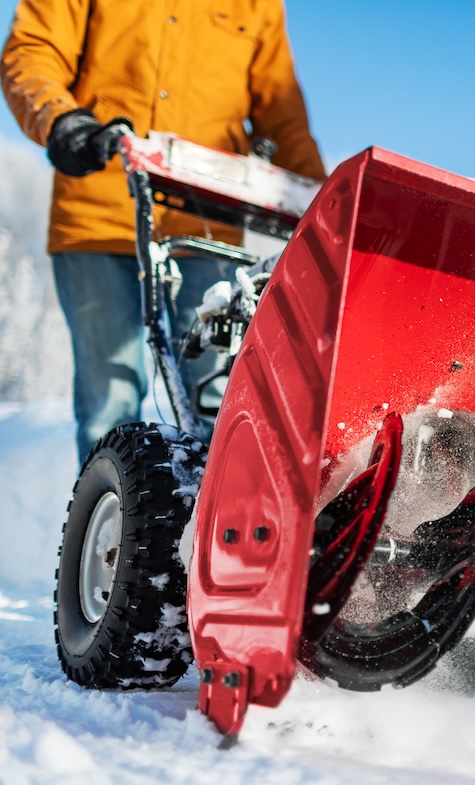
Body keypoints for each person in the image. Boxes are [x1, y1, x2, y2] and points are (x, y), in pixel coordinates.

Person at [1, 0, 326, 463]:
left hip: (208, 225)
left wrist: (324, 205)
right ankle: (110, 531)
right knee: (109, 409)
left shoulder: (257, 5)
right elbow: (32, 51)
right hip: (100, 214)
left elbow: (282, 112)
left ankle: (201, 530)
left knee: (213, 407)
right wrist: (60, 119)